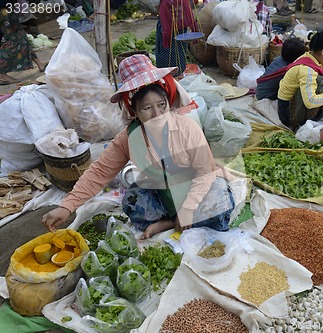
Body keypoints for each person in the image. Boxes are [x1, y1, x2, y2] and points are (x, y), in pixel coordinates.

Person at [42, 55, 236, 239]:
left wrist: (188, 208)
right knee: (133, 202)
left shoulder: (187, 128)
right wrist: (67, 206)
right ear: (134, 111)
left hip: (195, 188)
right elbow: (99, 172)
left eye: (161, 105)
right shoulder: (128, 138)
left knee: (221, 200)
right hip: (162, 192)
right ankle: (172, 220)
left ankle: (175, 220)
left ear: (168, 102)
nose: (157, 113)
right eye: (147, 108)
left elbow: (205, 173)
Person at [277, 30, 323, 131]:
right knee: (321, 83)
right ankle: (304, 120)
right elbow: (310, 101)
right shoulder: (307, 70)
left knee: (322, 83)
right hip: (287, 113)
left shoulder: (309, 57)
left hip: (289, 102)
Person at [0, 0, 48, 85]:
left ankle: (39, 63)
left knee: (21, 35)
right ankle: (1, 74)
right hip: (3, 9)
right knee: (12, 39)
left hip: (7, 7)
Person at [156, 0, 198, 75]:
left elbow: (155, 5)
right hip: (173, 24)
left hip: (173, 25)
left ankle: (170, 73)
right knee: (176, 49)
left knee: (175, 50)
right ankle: (175, 72)